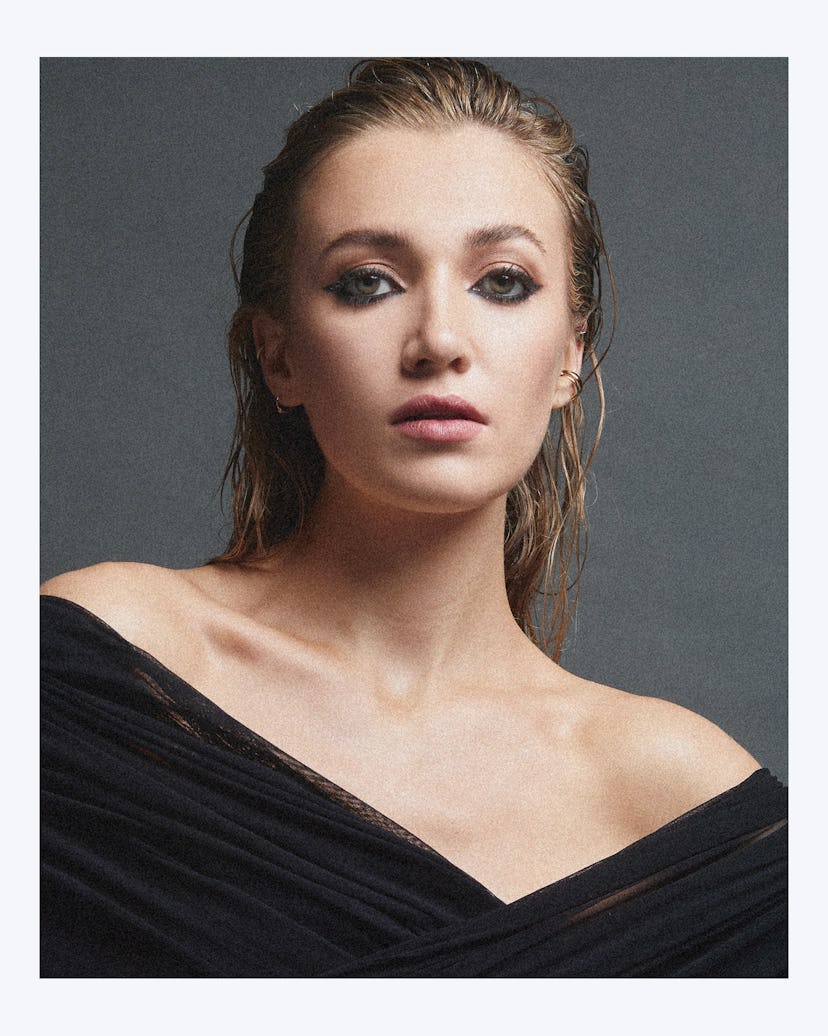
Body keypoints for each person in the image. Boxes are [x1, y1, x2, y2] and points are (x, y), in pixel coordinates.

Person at [40, 58, 786, 977]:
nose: (439, 340)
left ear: (569, 357)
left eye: (503, 282)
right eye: (367, 282)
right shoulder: (99, 670)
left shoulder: (680, 803)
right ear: (278, 357)